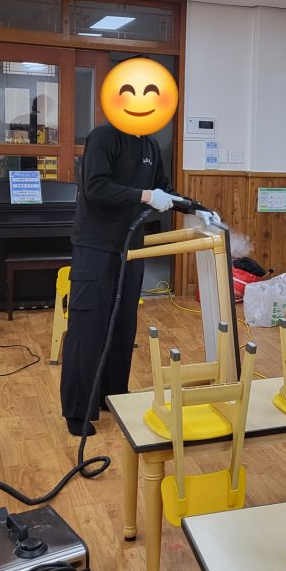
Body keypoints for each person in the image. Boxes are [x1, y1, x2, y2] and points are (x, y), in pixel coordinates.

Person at [60, 122, 178, 436]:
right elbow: (95, 187)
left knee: (123, 326)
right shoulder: (104, 137)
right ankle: (77, 411)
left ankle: (112, 396)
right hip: (95, 246)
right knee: (88, 328)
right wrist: (146, 195)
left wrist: (191, 207)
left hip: (130, 248)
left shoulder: (150, 145)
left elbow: (163, 188)